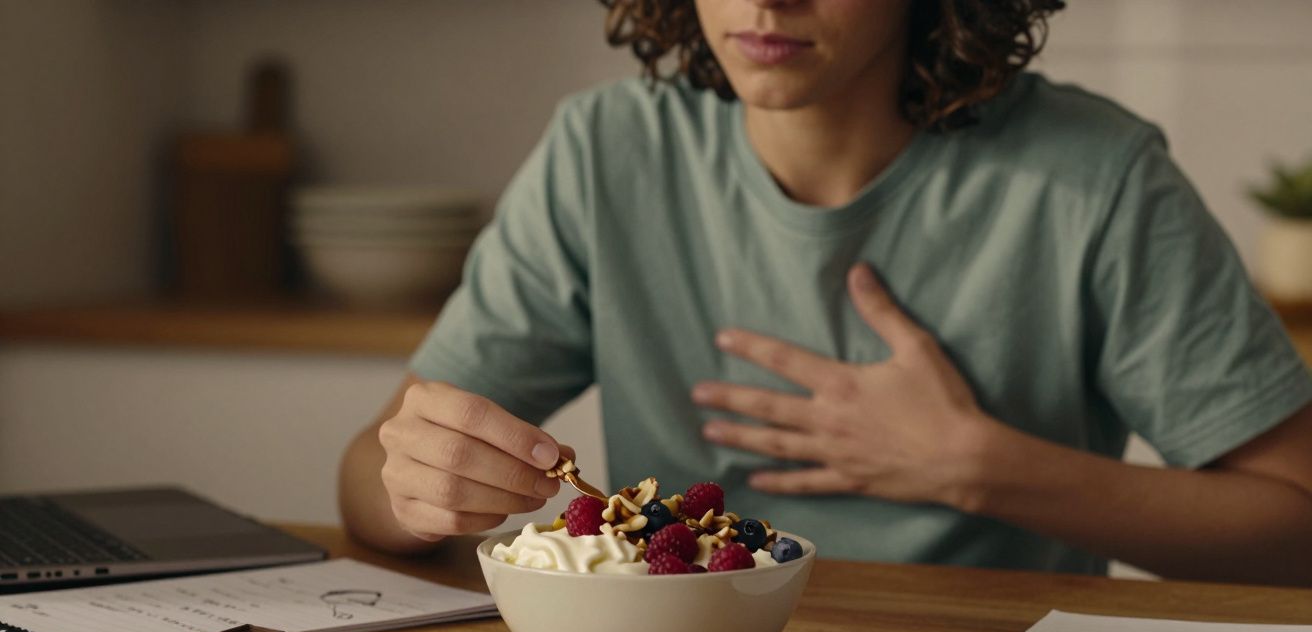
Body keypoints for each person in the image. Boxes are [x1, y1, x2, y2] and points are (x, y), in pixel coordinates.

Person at [339, 0, 1312, 585]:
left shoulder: (1097, 175)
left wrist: (980, 467)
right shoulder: (605, 152)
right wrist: (418, 488)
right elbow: (364, 484)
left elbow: (1296, 528)